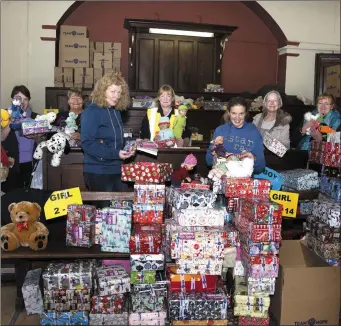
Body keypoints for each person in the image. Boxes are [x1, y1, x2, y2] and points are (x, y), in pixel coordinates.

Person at [81, 72, 134, 191]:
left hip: (117, 169)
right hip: (98, 171)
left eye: (119, 93)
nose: (116, 96)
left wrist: (132, 143)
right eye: (113, 92)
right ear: (102, 91)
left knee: (123, 208)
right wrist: (116, 154)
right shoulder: (91, 111)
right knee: (103, 209)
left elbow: (117, 139)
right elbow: (87, 144)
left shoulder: (116, 111)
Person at [206, 97, 266, 173]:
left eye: (241, 114)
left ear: (246, 114)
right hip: (223, 177)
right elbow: (208, 161)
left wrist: (253, 158)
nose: (237, 118)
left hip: (244, 180)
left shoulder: (253, 132)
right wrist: (217, 155)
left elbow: (261, 167)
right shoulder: (221, 130)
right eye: (234, 113)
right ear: (228, 113)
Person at [8, 85, 38, 188]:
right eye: (19, 98)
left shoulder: (36, 117)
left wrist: (36, 137)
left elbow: (42, 140)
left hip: (31, 163)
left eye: (26, 99)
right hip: (10, 165)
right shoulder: (4, 116)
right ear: (13, 99)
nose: (22, 102)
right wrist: (11, 120)